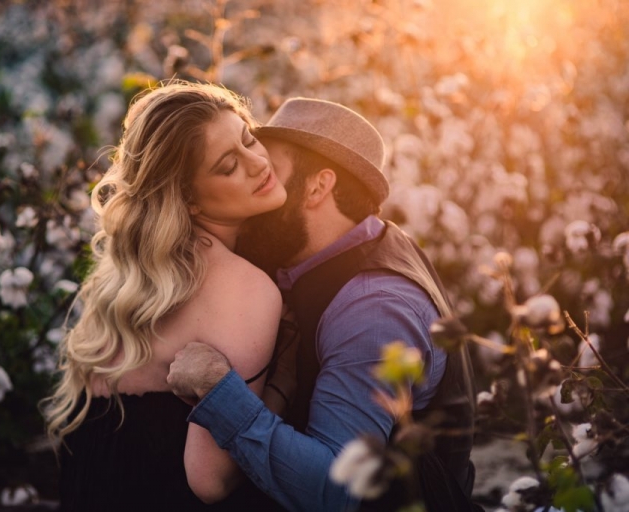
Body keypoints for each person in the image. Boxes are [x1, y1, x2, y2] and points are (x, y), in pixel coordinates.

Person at [167, 98, 479, 512]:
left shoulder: (373, 308)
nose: (257, 177)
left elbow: (336, 490)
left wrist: (218, 392)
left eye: (271, 172)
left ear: (318, 187)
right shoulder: (330, 251)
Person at [42, 81, 291, 511]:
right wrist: (287, 384)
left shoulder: (135, 272)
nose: (257, 163)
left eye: (250, 138)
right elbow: (210, 480)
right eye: (229, 165)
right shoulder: (243, 289)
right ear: (189, 200)